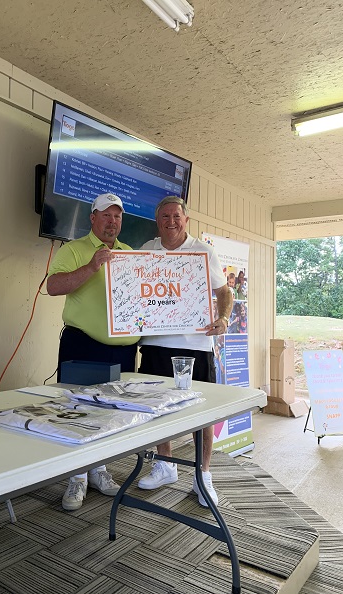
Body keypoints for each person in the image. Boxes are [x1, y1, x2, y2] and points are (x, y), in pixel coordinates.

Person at [137, 196, 233, 507]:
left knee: (201, 413)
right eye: (164, 216)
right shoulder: (145, 251)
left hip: (195, 345)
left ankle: (202, 475)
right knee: (156, 408)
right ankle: (165, 464)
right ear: (158, 221)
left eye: (176, 216)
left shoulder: (203, 251)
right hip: (154, 344)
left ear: (186, 220)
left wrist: (223, 317)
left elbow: (224, 292)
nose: (170, 221)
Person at [47, 193, 139, 511]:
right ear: (93, 218)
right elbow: (53, 286)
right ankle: (77, 477)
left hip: (123, 352)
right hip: (83, 344)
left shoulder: (130, 254)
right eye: (106, 215)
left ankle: (98, 469)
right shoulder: (73, 249)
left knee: (111, 415)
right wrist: (92, 266)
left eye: (117, 216)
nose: (112, 221)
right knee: (79, 413)